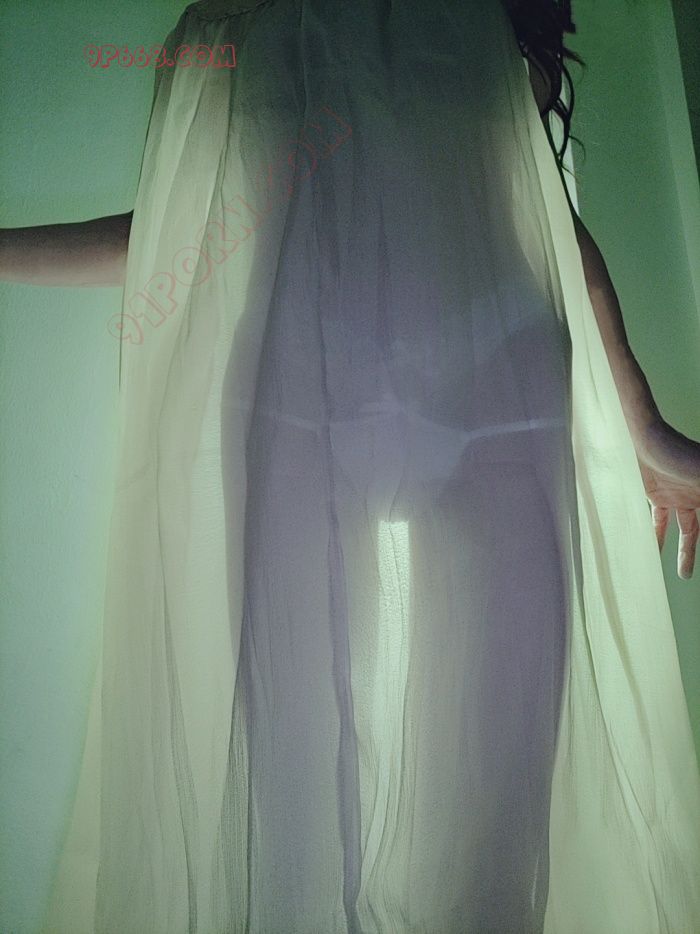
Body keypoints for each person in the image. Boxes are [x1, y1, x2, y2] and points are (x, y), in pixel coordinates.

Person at [3, 0, 700, 931]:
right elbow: (190, 228)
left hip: (497, 396)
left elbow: (539, 208)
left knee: (493, 823)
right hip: (300, 392)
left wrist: (641, 421)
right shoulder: (235, 16)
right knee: (285, 810)